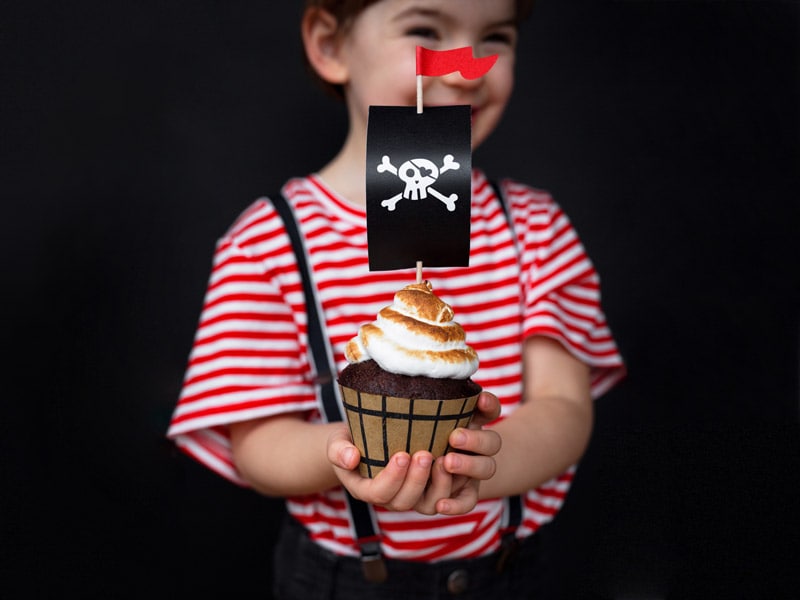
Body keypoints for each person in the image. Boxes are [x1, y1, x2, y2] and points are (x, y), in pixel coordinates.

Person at [167, 0, 625, 597]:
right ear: (330, 45)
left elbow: (565, 406)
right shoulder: (266, 243)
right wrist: (351, 450)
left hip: (509, 574)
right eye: (425, 30)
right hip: (348, 579)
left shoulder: (536, 229)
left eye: (496, 37)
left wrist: (476, 466)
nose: (466, 67)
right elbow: (257, 445)